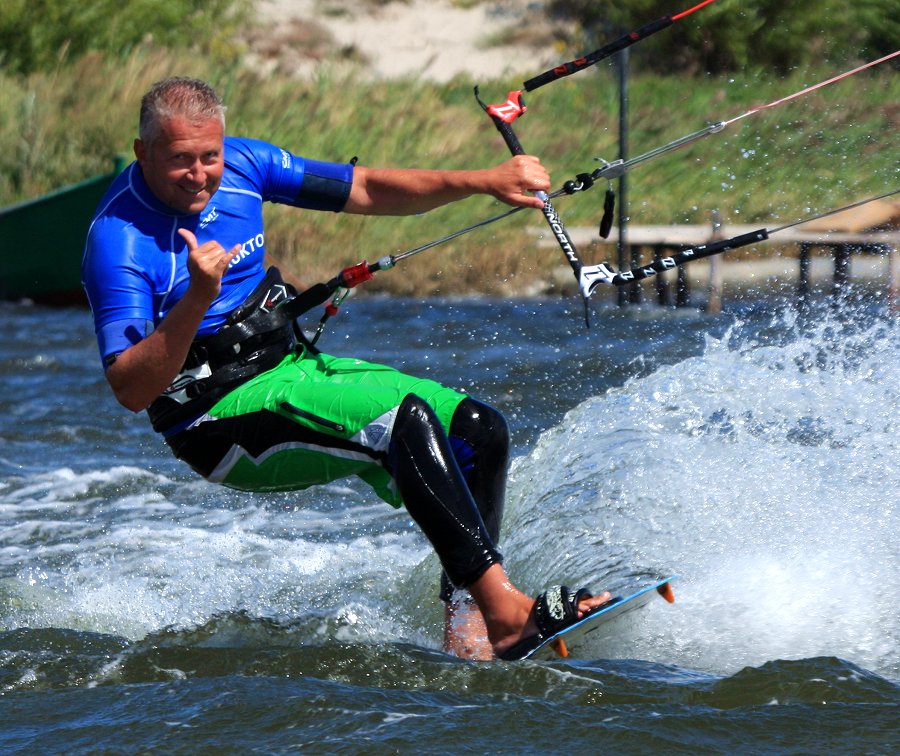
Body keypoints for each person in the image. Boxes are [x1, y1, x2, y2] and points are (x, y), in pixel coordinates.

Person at [82, 76, 609, 661]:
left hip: (292, 369)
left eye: (211, 155)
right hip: (217, 422)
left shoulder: (246, 165)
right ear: (143, 153)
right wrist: (197, 298)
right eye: (180, 160)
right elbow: (131, 388)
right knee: (401, 421)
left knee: (478, 431)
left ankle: (469, 632)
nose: (201, 174)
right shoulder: (118, 241)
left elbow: (363, 188)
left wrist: (484, 183)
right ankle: (507, 613)